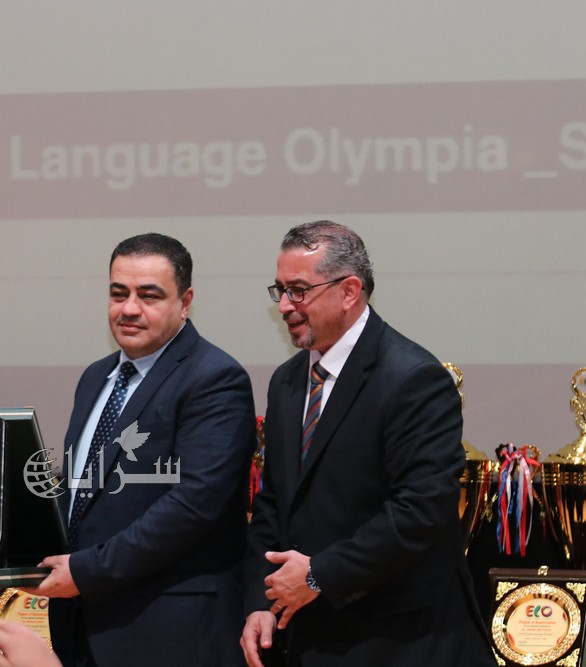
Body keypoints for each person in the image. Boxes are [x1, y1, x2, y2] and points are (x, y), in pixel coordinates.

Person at [242, 221, 495, 666]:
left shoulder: (413, 378)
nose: (284, 305)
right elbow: (274, 503)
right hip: (310, 637)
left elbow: (420, 512)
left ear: (349, 291)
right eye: (279, 290)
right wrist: (263, 601)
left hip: (402, 640)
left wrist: (319, 575)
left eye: (298, 290)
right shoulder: (287, 381)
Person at [31, 233, 257, 666]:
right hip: (79, 624)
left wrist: (86, 572)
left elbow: (193, 505)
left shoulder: (215, 378)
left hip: (168, 629)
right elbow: (81, 490)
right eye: (119, 293)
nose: (129, 309)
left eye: (148, 296)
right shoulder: (96, 377)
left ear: (185, 301)